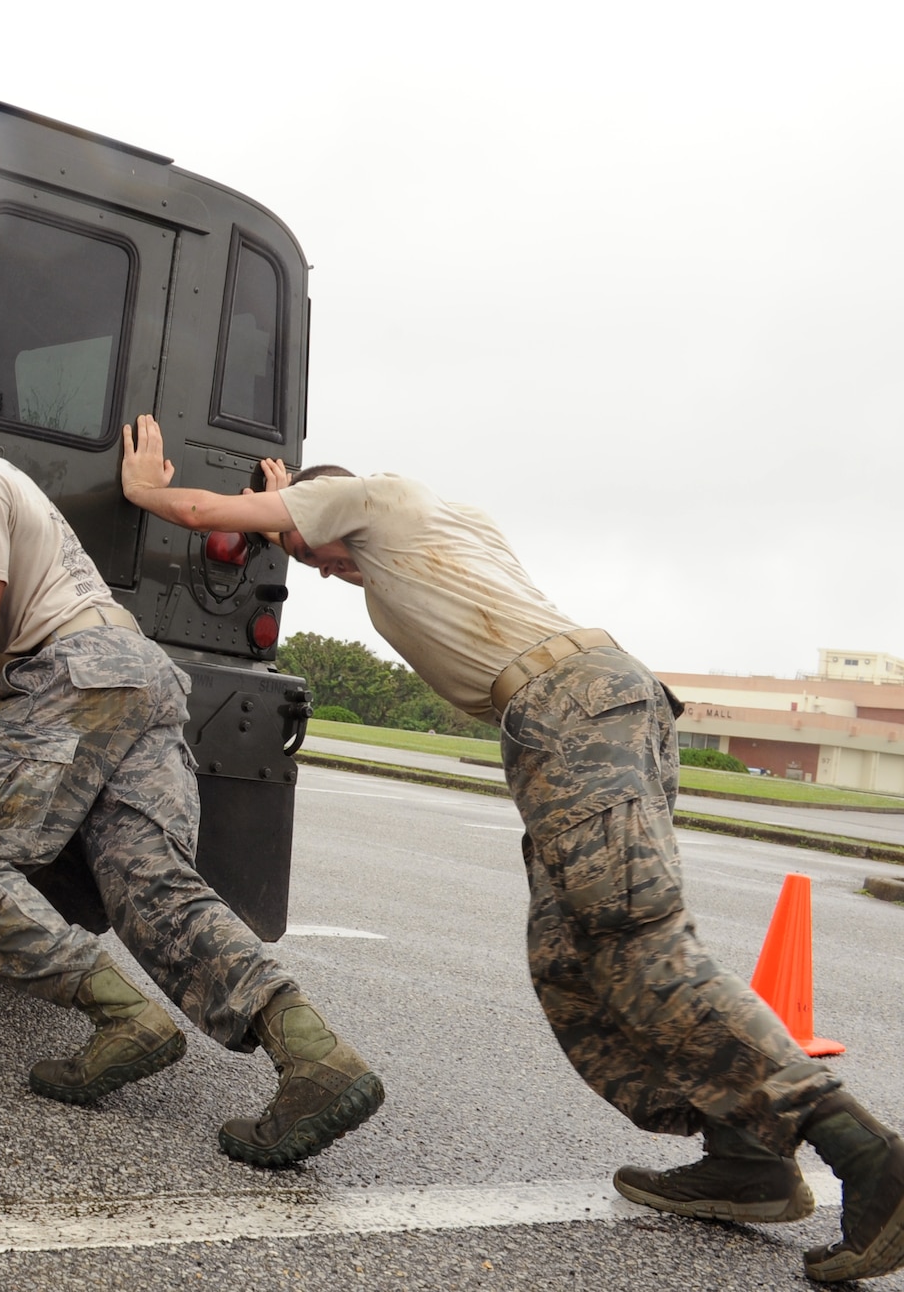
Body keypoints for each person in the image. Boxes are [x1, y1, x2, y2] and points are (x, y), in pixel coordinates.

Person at [119, 414, 904, 1282]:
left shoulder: (376, 496)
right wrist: (291, 514)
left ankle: (868, 1157)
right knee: (570, 957)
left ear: (318, 507)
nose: (322, 571)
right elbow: (313, 526)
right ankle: (747, 1153)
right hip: (573, 713)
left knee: (636, 940)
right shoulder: (429, 533)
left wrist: (155, 490)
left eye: (310, 554)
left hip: (571, 708)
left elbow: (210, 513)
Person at [0, 377, 383, 1168]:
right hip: (139, 675)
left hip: (74, 676)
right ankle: (318, 1060)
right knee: (152, 886)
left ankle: (124, 1019)